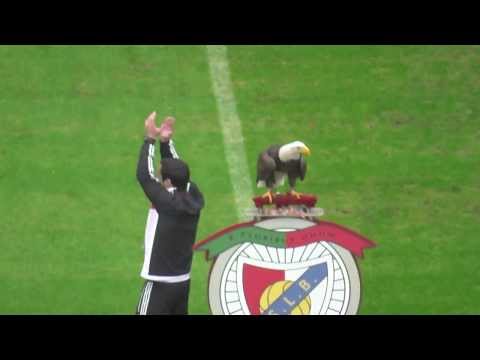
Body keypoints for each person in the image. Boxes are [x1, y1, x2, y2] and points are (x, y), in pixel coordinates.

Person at [135, 111, 204, 315]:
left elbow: (144, 176)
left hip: (159, 286)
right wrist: (166, 143)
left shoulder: (166, 203)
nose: (158, 174)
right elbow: (180, 172)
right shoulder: (194, 196)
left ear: (168, 183)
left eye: (161, 174)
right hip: (182, 284)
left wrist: (150, 138)